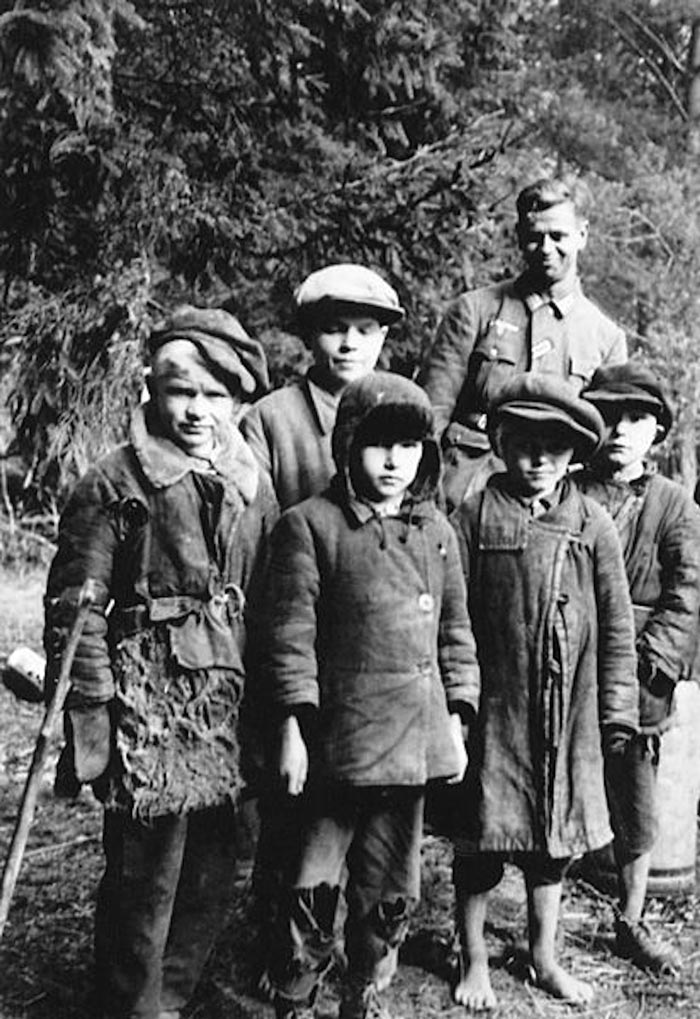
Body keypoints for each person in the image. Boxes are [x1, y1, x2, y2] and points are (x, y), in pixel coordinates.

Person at [43, 305, 278, 1019]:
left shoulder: (250, 482)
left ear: (237, 401)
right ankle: (131, 1003)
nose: (197, 411)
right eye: (183, 392)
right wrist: (91, 715)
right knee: (146, 872)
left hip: (227, 700)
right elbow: (75, 611)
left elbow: (269, 594)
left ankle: (173, 994)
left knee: (215, 864)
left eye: (215, 396)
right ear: (152, 390)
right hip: (149, 707)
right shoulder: (116, 482)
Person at [263, 372, 480, 1019]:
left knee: (389, 888)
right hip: (337, 746)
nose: (393, 461)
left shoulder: (437, 532)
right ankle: (297, 997)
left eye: (409, 446)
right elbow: (290, 636)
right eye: (378, 444)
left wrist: (458, 716)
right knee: (310, 883)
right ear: (348, 445)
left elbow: (456, 632)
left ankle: (365, 988)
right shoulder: (311, 526)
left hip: (411, 744)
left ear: (427, 453)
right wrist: (293, 728)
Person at [449, 374, 639, 1009]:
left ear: (574, 455)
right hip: (496, 711)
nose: (538, 461)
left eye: (554, 450)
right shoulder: (474, 513)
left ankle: (543, 957)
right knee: (481, 842)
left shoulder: (592, 523)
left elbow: (616, 627)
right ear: (501, 443)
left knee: (551, 849)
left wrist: (617, 713)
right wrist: (458, 703)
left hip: (568, 716)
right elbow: (451, 613)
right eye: (525, 444)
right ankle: (472, 956)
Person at [576, 363, 700, 973]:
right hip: (570, 664)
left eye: (637, 419)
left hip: (640, 673)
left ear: (658, 431)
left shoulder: (674, 504)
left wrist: (652, 664)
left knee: (635, 793)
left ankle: (631, 917)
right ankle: (536, 900)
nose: (621, 431)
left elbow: (687, 592)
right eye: (609, 417)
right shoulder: (568, 491)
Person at [417, 176, 627, 509]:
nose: (545, 249)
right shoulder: (474, 310)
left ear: (582, 235)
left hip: (556, 498)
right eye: (534, 238)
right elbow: (431, 415)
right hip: (467, 488)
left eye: (558, 236)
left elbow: (604, 443)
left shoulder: (606, 338)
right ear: (519, 237)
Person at [240, 263, 404, 511]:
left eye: (364, 331)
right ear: (309, 336)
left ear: (382, 337)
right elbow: (255, 523)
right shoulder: (268, 418)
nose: (350, 344)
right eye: (334, 330)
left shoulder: (402, 413)